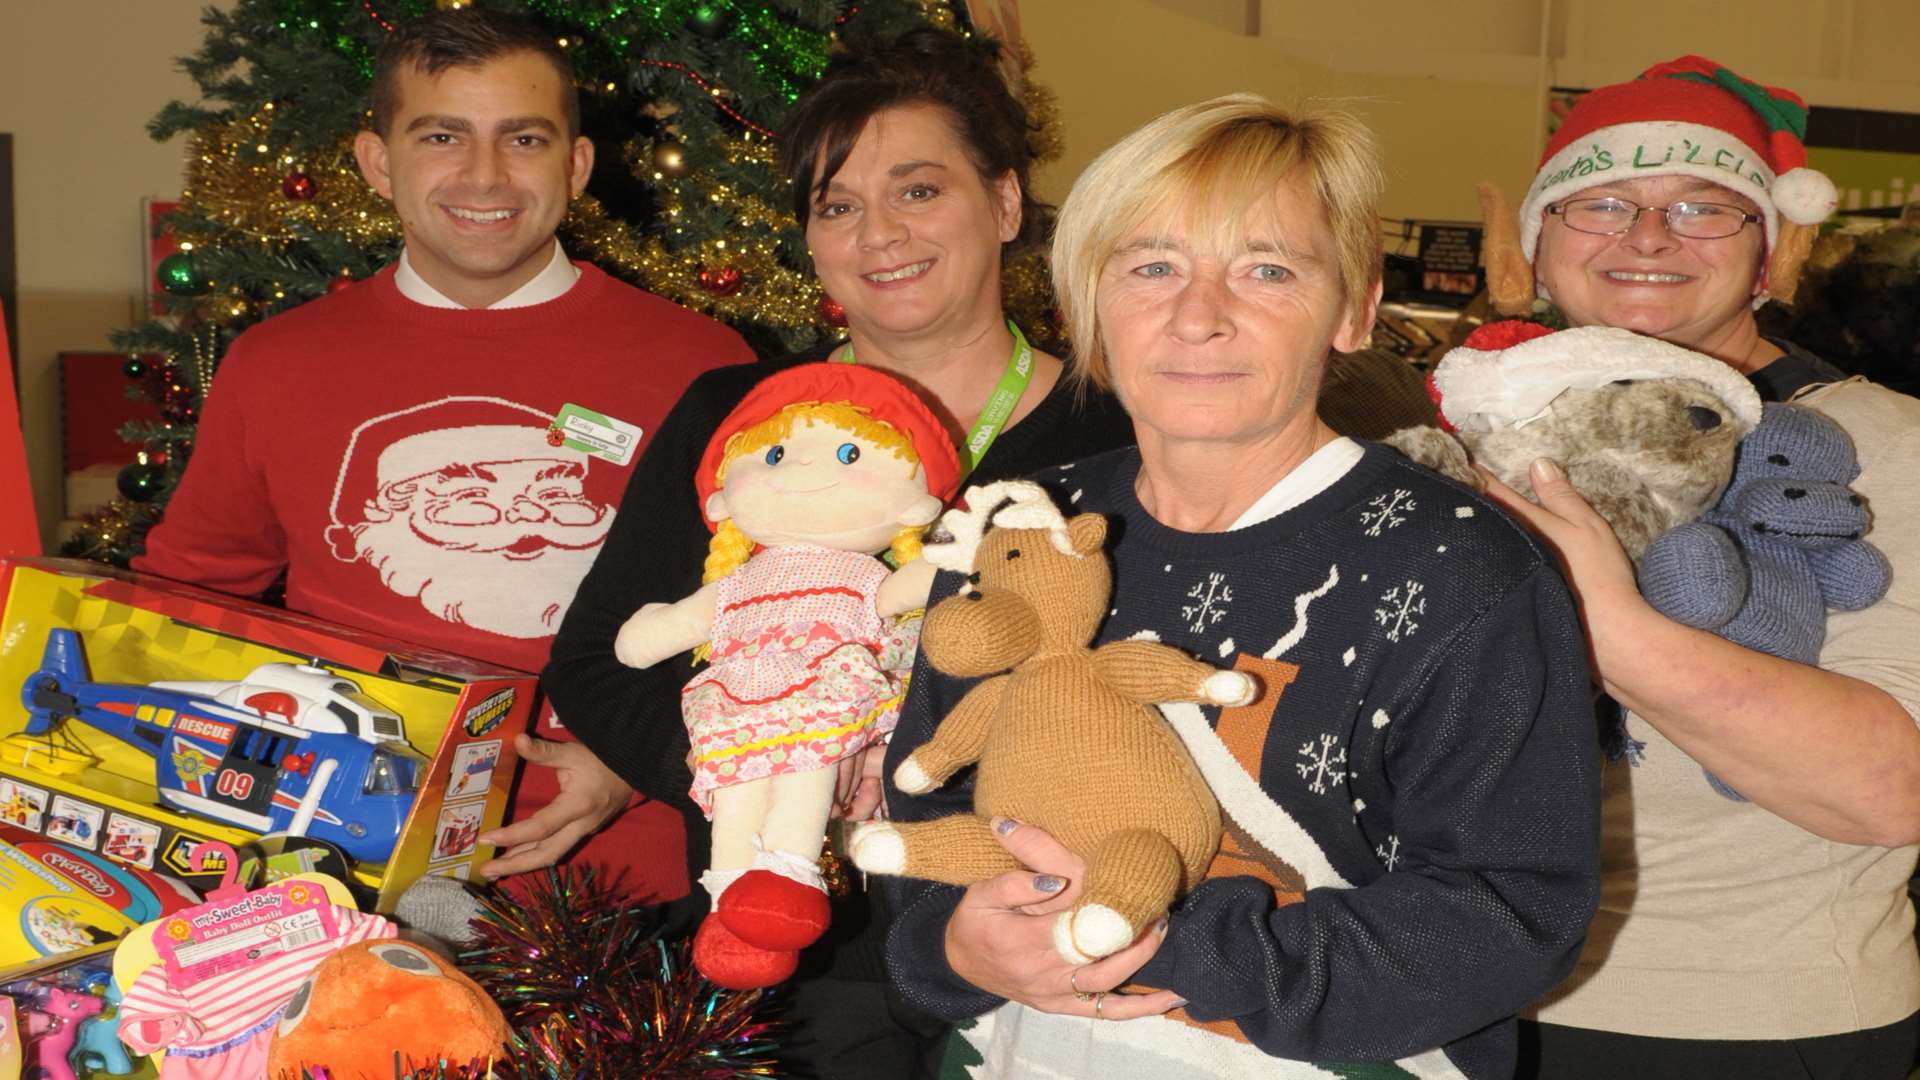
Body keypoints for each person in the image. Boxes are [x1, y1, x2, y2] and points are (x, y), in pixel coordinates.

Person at [875, 93, 1602, 1079]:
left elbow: (1512, 907)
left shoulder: (1464, 570)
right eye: (1151, 266)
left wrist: (1180, 944)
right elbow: (924, 808)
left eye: (1266, 268)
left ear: (1354, 307)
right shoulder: (1028, 527)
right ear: (1088, 303)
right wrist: (952, 947)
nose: (1199, 317)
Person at [538, 28, 1136, 1078]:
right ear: (809, 240)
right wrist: (761, 775)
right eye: (837, 205)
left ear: (1003, 206)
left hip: (1047, 944)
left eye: (917, 191)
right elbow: (595, 662)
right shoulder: (736, 422)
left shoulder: (1117, 430)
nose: (878, 235)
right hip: (793, 956)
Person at [134, 9, 755, 894]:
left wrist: (632, 763)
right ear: (378, 162)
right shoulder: (277, 363)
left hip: (623, 884)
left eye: (525, 138)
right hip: (335, 878)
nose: (485, 175)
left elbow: (765, 613)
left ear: (575, 165)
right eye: (441, 136)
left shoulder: (702, 362)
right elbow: (185, 598)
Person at [1477, 57, 1920, 1079]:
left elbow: (1891, 790)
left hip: (1739, 1023)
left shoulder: (1880, 447)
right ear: (1540, 243)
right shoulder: (1472, 429)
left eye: (1701, 206)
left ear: (1768, 255)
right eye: (1601, 202)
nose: (1646, 235)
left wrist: (1609, 619)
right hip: (1461, 997)